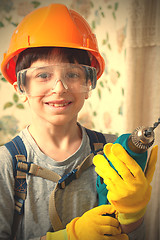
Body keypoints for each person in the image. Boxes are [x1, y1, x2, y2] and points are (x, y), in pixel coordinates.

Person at [0, 3, 158, 240]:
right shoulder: (6, 164)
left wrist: (131, 215)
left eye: (72, 74)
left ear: (89, 85)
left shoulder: (112, 151)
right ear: (21, 87)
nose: (59, 88)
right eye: (43, 75)